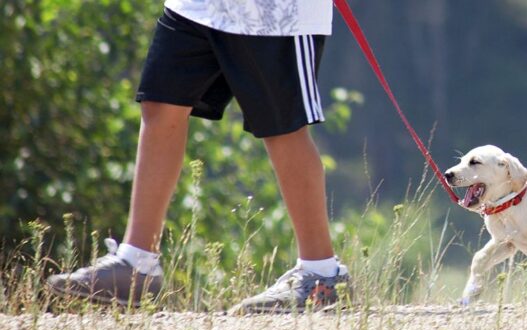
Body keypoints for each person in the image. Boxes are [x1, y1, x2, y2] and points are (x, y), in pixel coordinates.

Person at [46, 0, 350, 313]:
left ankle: (320, 273)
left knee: (283, 128)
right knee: (160, 102)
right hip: (197, 7)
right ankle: (137, 264)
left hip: (275, 13)